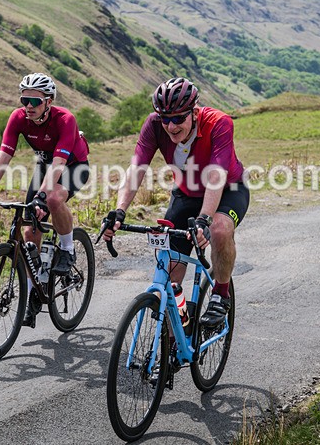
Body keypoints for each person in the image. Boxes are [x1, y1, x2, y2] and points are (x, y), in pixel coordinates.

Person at [102, 77, 249, 328]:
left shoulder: (218, 123)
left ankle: (220, 294)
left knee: (219, 230)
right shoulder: (154, 125)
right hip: (186, 194)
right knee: (170, 277)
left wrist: (204, 219)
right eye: (165, 119)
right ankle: (174, 337)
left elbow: (216, 175)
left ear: (194, 112)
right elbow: (137, 168)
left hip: (227, 190)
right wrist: (119, 211)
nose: (170, 126)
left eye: (178, 118)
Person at [0, 73, 90, 327]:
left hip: (73, 165)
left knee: (54, 199)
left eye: (34, 102)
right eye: (24, 99)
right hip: (46, 166)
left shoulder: (65, 120)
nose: (28, 106)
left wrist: (41, 198)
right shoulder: (18, 118)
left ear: (48, 101)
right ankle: (34, 288)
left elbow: (59, 165)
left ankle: (68, 250)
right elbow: (3, 157)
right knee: (28, 229)